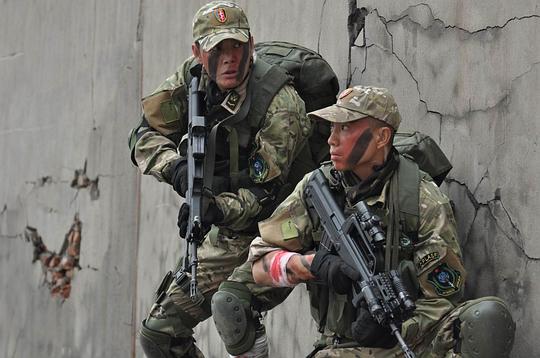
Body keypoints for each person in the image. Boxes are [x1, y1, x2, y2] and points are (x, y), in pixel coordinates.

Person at [250, 85, 516, 357]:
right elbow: (259, 267)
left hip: (408, 339)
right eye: (332, 128)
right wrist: (314, 265)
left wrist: (398, 327)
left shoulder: (422, 200)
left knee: (487, 317)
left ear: (382, 137)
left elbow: (442, 298)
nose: (332, 139)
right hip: (343, 347)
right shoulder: (318, 187)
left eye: (345, 128)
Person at [128, 1, 316, 357]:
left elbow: (264, 196)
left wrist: (214, 209)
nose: (229, 58)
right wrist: (177, 169)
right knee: (159, 334)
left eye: (236, 47)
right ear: (198, 53)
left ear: (251, 45)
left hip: (287, 225)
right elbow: (141, 135)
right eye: (217, 49)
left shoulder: (280, 103)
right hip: (231, 226)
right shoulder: (192, 80)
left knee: (231, 309)